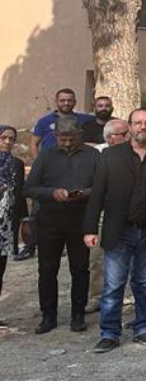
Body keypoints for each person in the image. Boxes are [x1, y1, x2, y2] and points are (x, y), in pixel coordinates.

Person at [83, 109, 146, 353]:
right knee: (113, 285)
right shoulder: (110, 156)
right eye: (138, 122)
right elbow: (97, 195)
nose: (143, 126)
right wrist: (90, 229)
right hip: (119, 231)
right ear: (130, 126)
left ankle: (143, 328)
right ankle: (109, 333)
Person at [26, 117, 98, 334]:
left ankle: (78, 315)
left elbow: (102, 186)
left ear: (79, 135)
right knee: (47, 270)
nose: (67, 143)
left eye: (71, 139)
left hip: (80, 219)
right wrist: (51, 193)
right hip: (50, 219)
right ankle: (48, 316)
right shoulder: (46, 156)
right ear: (55, 136)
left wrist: (84, 193)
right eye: (62, 139)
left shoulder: (93, 155)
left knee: (80, 269)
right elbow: (29, 188)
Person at [86, 119, 128, 314]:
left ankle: (123, 294)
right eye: (124, 134)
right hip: (104, 212)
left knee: (128, 256)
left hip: (129, 212)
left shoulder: (135, 151)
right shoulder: (96, 155)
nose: (129, 137)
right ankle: (96, 297)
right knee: (97, 258)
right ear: (110, 138)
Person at [0, 125, 29, 317]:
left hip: (5, 225)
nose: (7, 142)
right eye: (3, 138)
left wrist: (25, 219)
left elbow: (20, 193)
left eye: (11, 139)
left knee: (0, 269)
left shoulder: (17, 164)